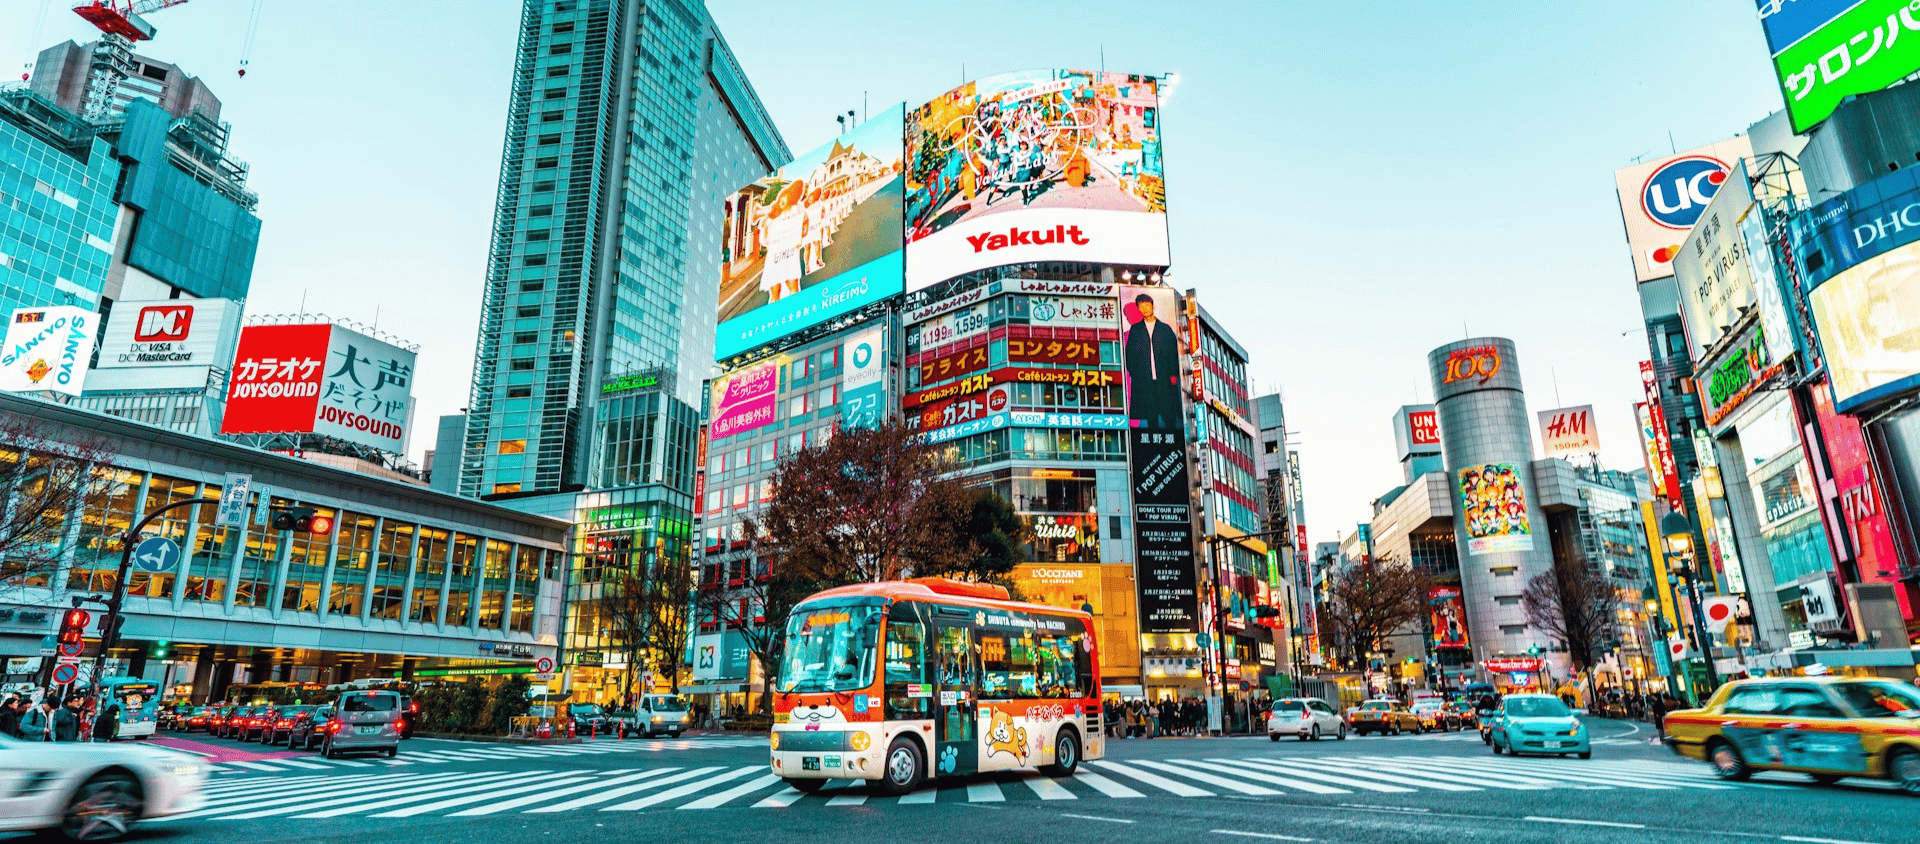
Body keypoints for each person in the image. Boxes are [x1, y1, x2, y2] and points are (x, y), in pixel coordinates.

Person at [1122, 293, 1181, 430]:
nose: (1145, 308)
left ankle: (1171, 434)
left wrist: (1173, 373)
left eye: (1147, 305)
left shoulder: (1165, 329)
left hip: (1164, 377)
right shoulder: (1136, 329)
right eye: (1141, 306)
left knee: (1168, 409)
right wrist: (1134, 373)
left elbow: (1173, 353)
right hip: (1144, 378)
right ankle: (1152, 437)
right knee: (1150, 413)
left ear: (1152, 306)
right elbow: (1129, 355)